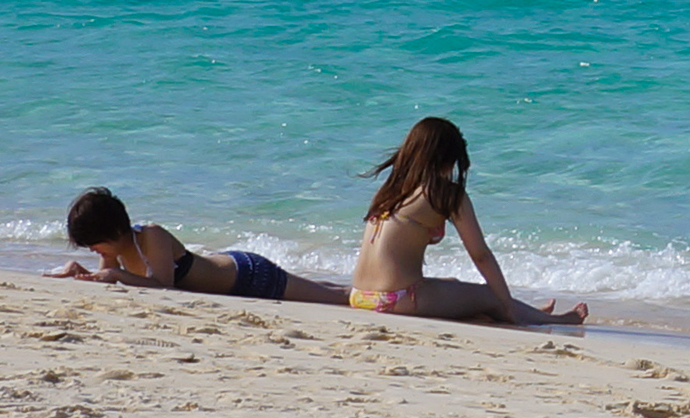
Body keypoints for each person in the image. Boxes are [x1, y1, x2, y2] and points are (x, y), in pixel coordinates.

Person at [348, 117, 586, 327]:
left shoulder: (392, 193)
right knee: (490, 295)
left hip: (359, 295)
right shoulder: (445, 193)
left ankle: (530, 311)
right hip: (396, 299)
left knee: (452, 284)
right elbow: (480, 254)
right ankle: (551, 319)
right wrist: (506, 305)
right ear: (448, 158)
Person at [55, 187, 342, 304]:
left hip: (249, 276)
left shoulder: (150, 236)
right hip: (231, 276)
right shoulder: (115, 251)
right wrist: (77, 270)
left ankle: (380, 295)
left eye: (96, 244)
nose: (95, 251)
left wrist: (116, 275)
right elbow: (105, 278)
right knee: (322, 289)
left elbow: (164, 285)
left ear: (116, 230)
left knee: (336, 298)